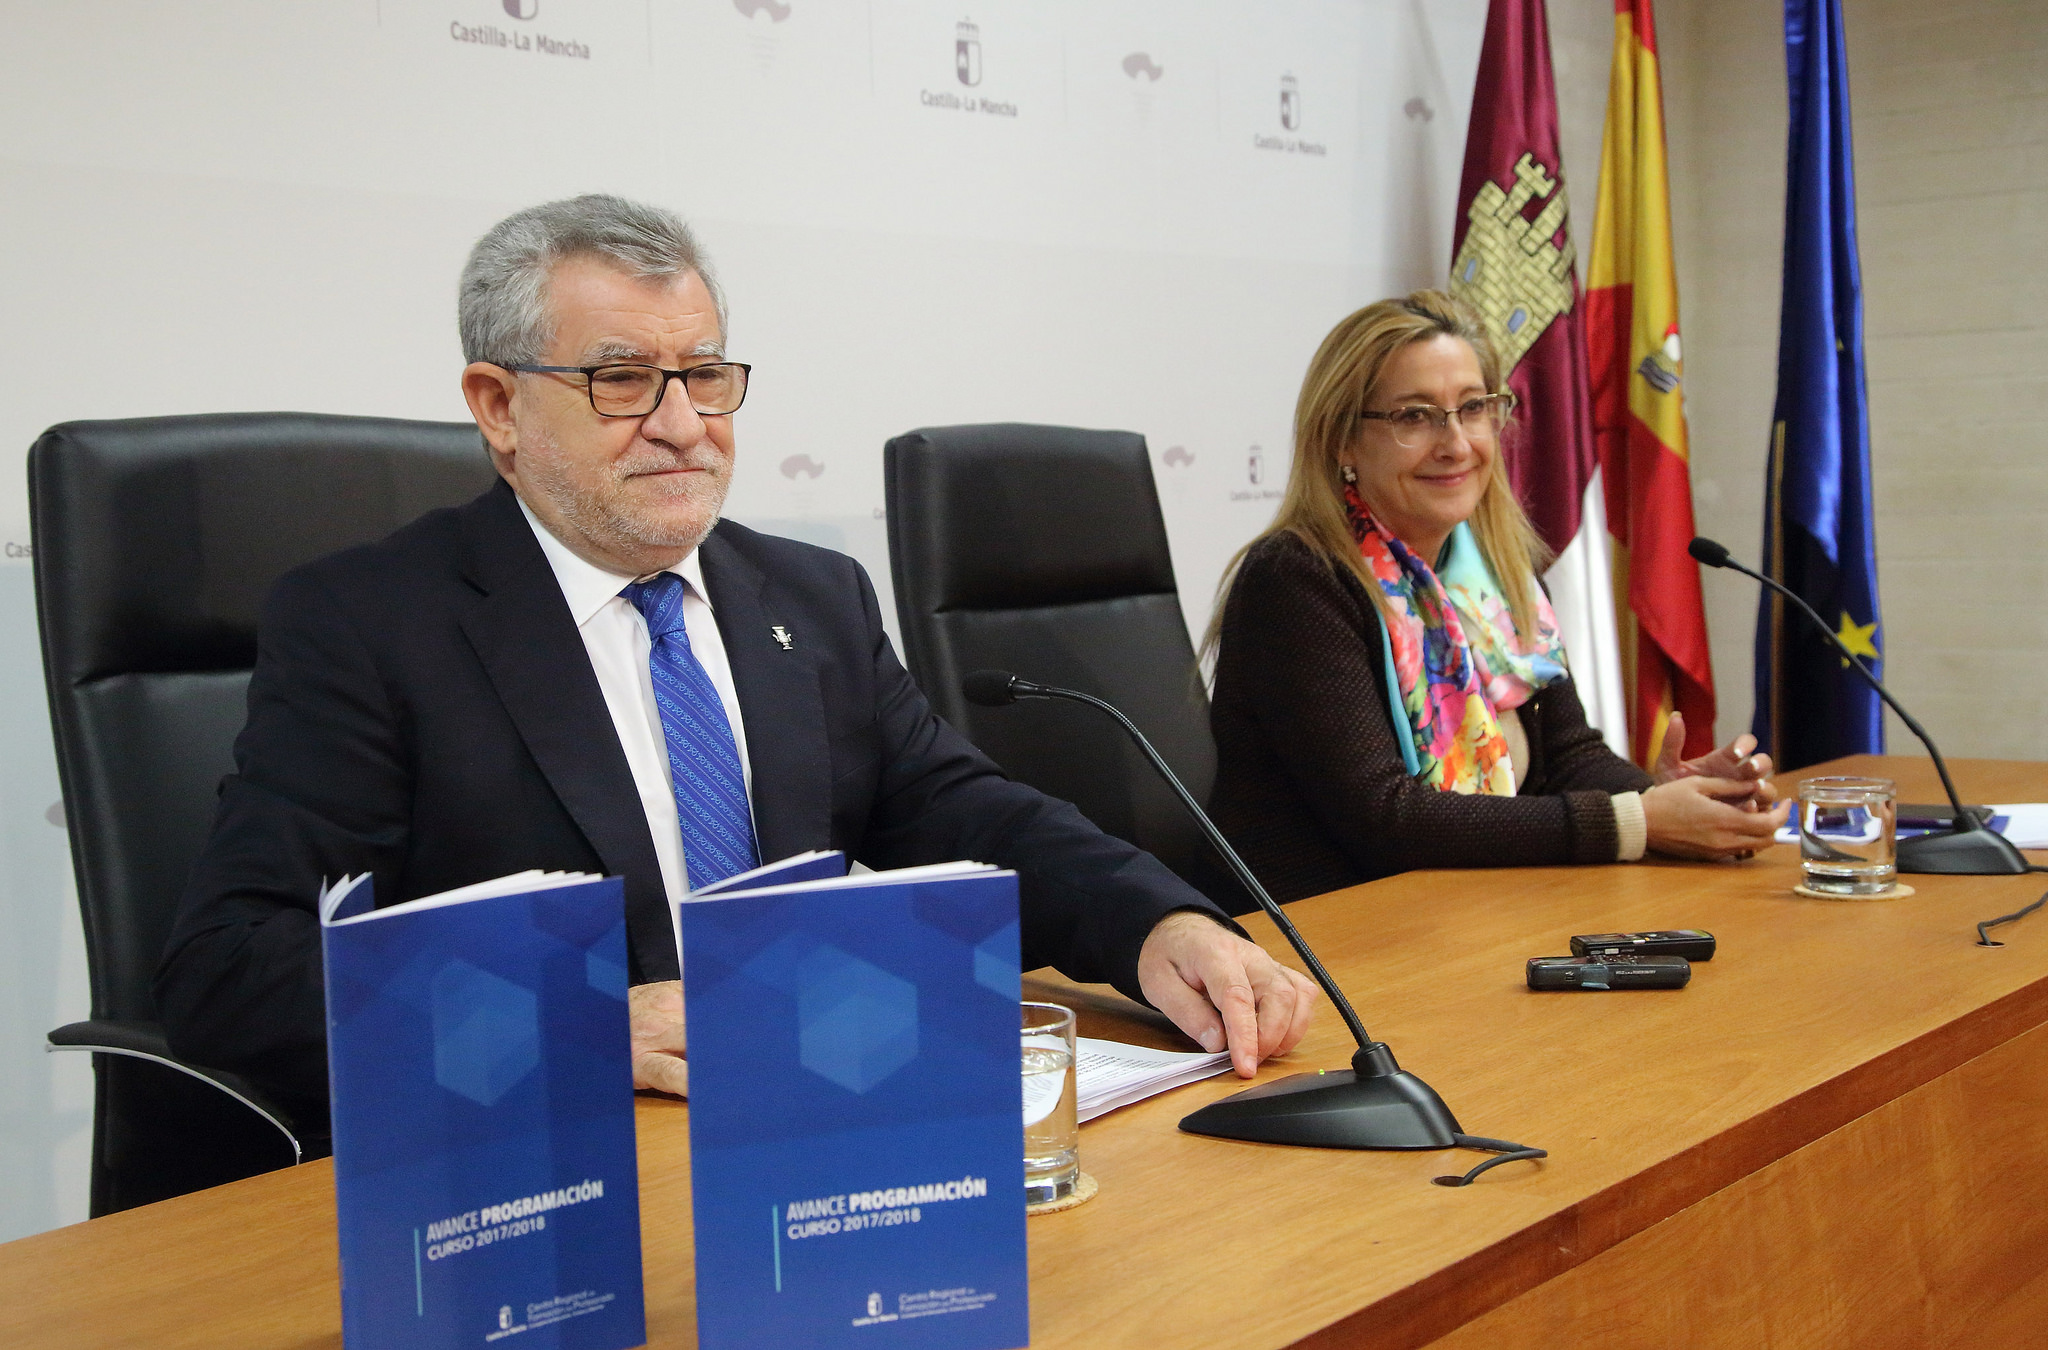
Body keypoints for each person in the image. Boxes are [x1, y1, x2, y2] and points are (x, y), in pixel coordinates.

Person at [155, 195, 1315, 1125]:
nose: (681, 422)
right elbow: (230, 970)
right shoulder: (370, 624)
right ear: (497, 407)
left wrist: (1157, 925)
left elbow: (960, 809)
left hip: (811, 1118)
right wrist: (579, 1021)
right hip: (554, 1161)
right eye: (620, 380)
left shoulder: (805, 596)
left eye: (704, 374)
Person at [1204, 291, 1786, 904]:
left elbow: (1570, 756)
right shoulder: (1299, 580)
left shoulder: (1496, 569)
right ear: (1343, 441)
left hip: (1472, 914)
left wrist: (1663, 799)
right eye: (1414, 416)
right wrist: (1634, 822)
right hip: (1326, 942)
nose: (1455, 443)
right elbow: (1386, 819)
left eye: (1473, 408)